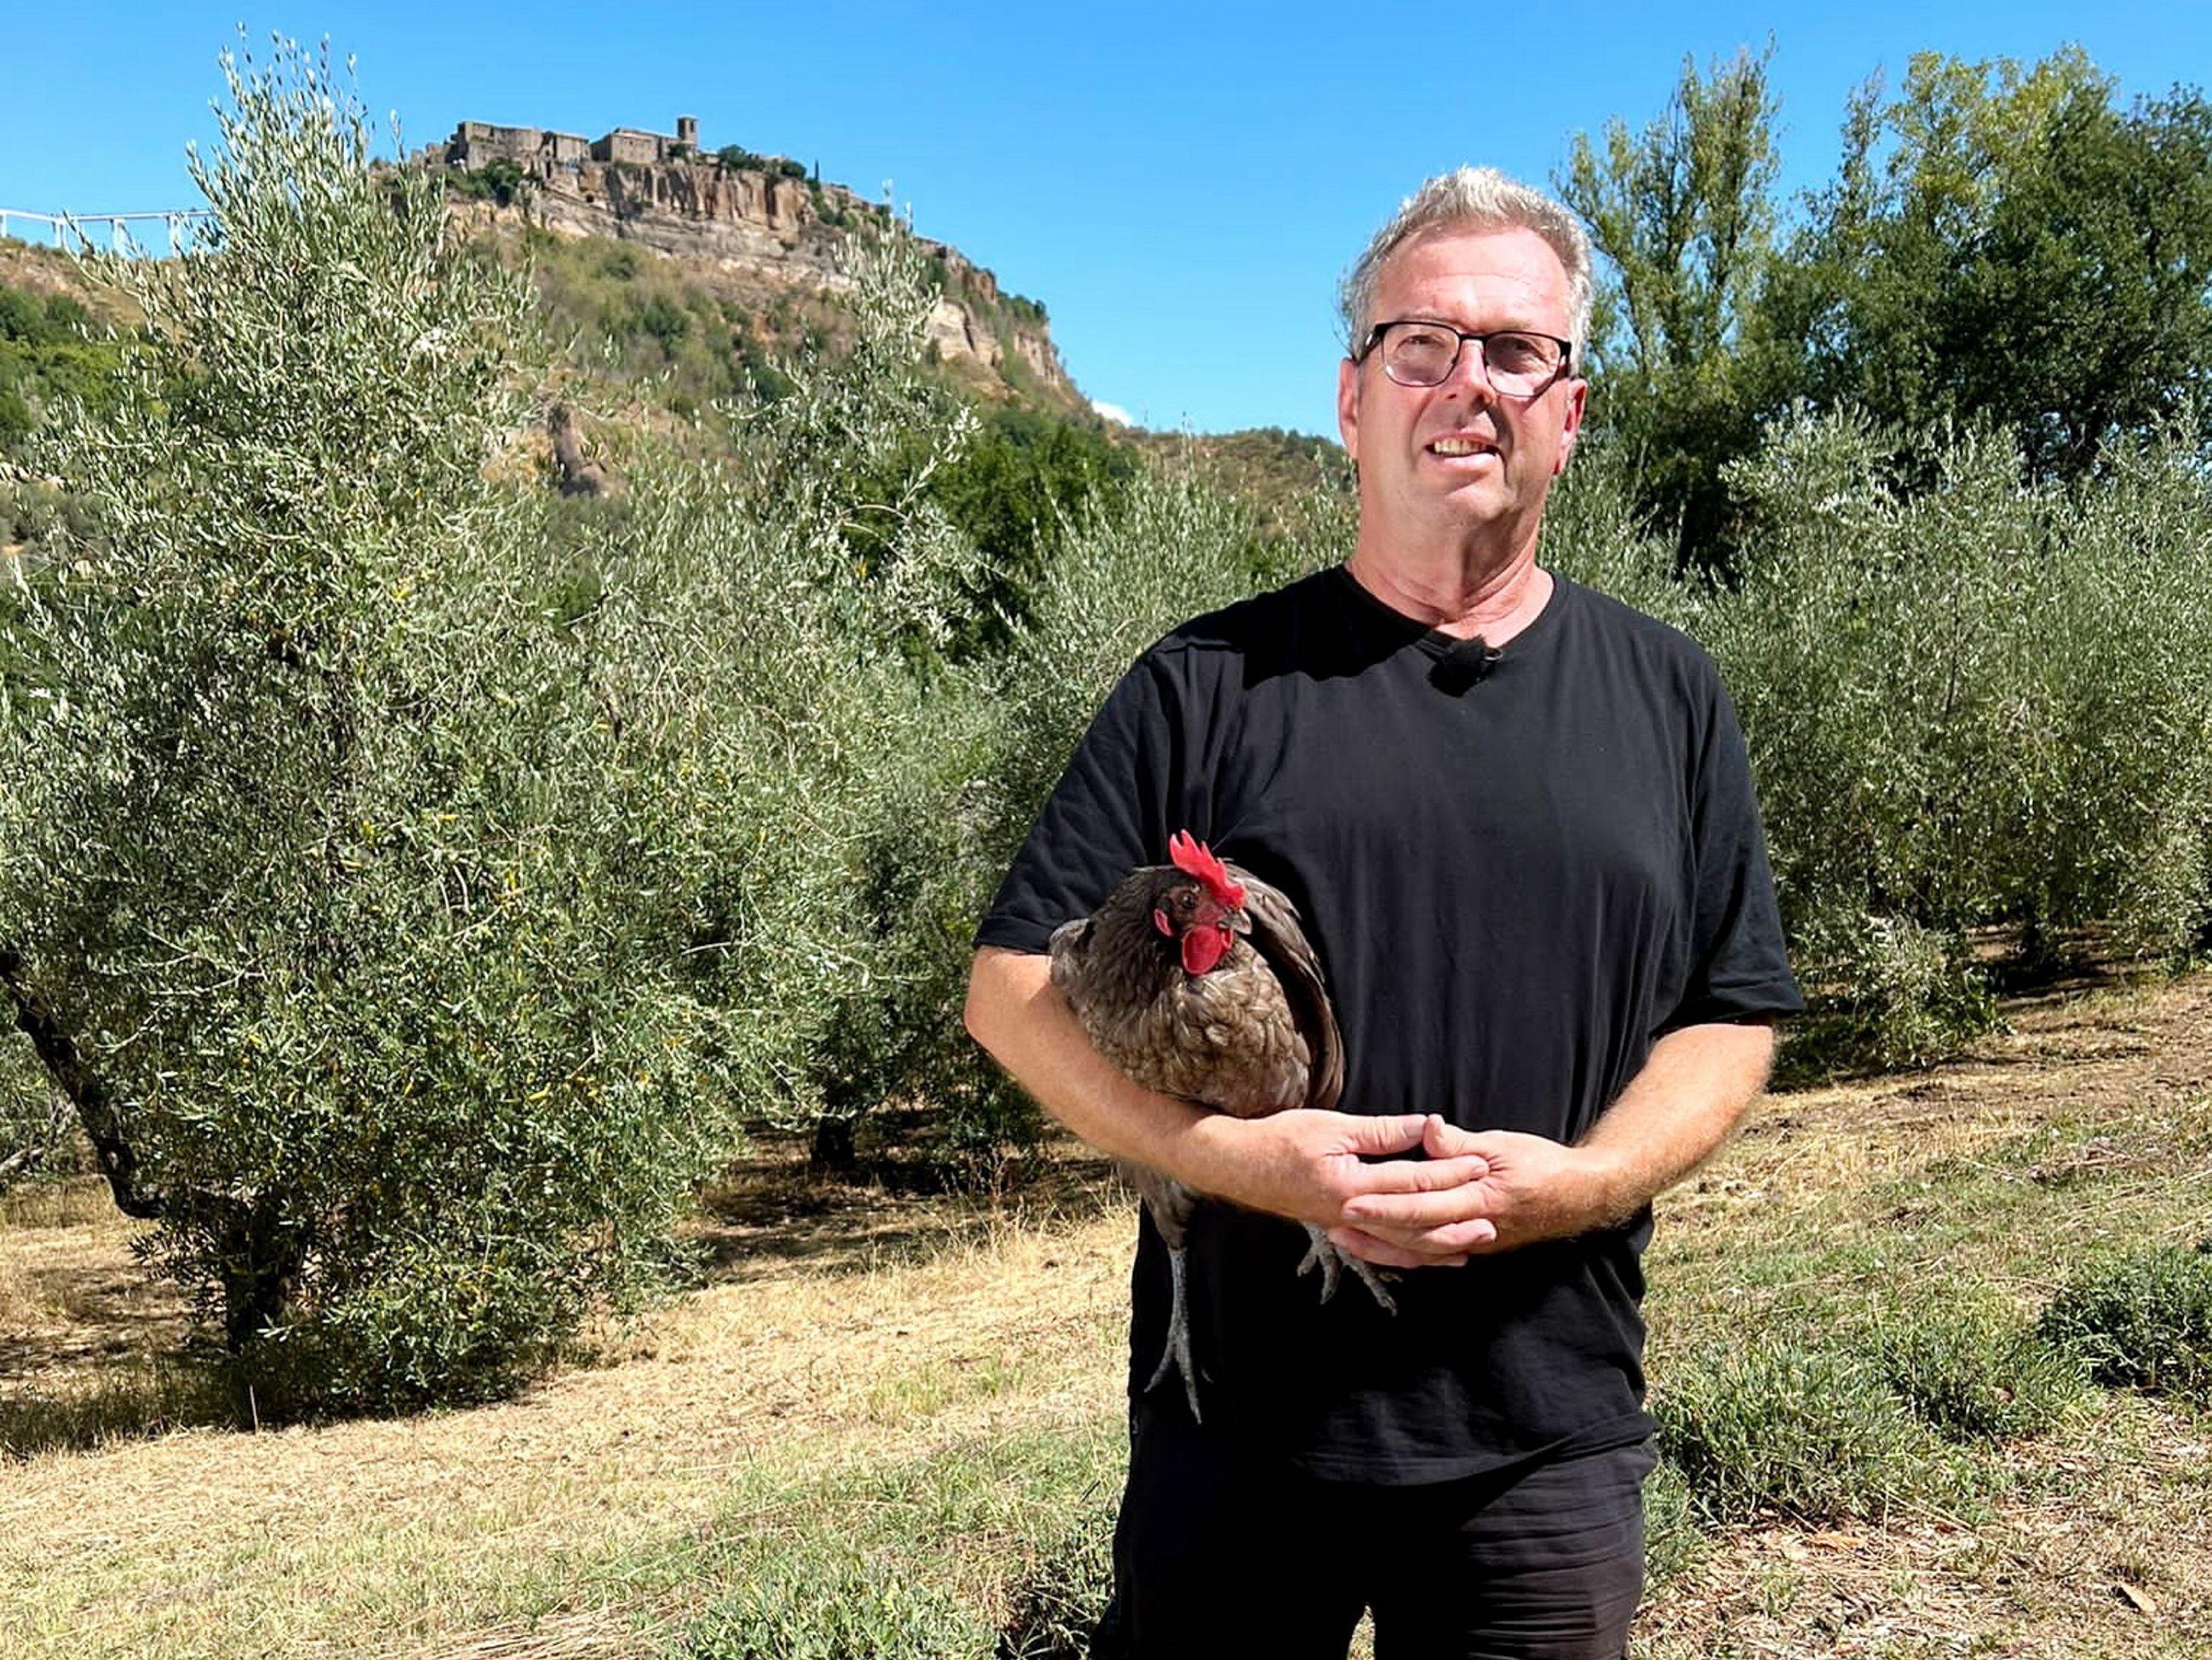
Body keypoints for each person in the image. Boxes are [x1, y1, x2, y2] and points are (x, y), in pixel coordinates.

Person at [963, 166, 1802, 1660]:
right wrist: (1231, 1158)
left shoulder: (1669, 694)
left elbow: (1729, 1012)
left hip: (1547, 1426)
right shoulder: (1203, 682)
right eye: (1420, 344)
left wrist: (1587, 1184)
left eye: (1511, 350)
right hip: (1236, 1434)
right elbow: (1009, 986)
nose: (1463, 384)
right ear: (1351, 397)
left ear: (1569, 412)